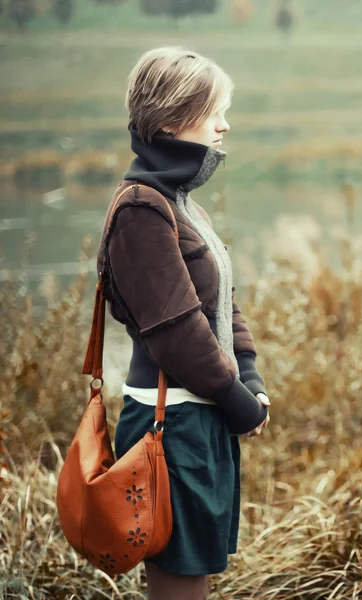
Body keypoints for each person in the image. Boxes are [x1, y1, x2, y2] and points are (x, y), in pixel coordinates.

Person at [100, 46, 271, 600]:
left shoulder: (180, 203)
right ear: (172, 120)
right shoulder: (142, 209)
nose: (225, 125)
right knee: (179, 590)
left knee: (192, 581)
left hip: (198, 420)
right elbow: (178, 334)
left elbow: (222, 304)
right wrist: (237, 402)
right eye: (213, 111)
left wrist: (251, 378)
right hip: (167, 428)